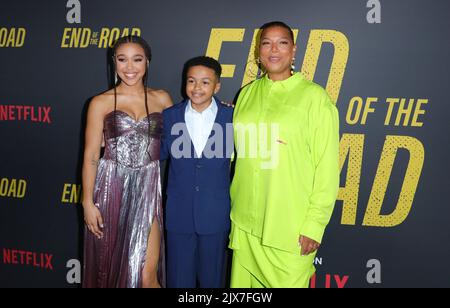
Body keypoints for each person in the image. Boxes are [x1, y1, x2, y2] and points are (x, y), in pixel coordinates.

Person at [229, 21, 340, 288]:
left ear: (294, 50)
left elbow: (327, 168)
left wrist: (314, 225)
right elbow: (237, 154)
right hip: (245, 224)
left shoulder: (315, 98)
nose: (273, 50)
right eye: (266, 43)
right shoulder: (246, 94)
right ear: (258, 50)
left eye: (282, 42)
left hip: (288, 228)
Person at [82, 35, 172, 288]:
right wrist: (87, 201)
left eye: (137, 59)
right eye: (122, 60)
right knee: (109, 272)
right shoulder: (100, 102)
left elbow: (186, 134)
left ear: (147, 62)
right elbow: (91, 155)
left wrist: (220, 110)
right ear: (114, 62)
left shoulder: (162, 99)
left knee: (147, 275)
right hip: (110, 189)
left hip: (148, 189)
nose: (129, 67)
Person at [160, 56, 234, 288]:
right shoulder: (170, 116)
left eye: (205, 82)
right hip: (178, 216)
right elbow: (157, 153)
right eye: (191, 81)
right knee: (178, 281)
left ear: (217, 86)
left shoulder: (232, 117)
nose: (197, 88)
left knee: (212, 280)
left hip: (215, 214)